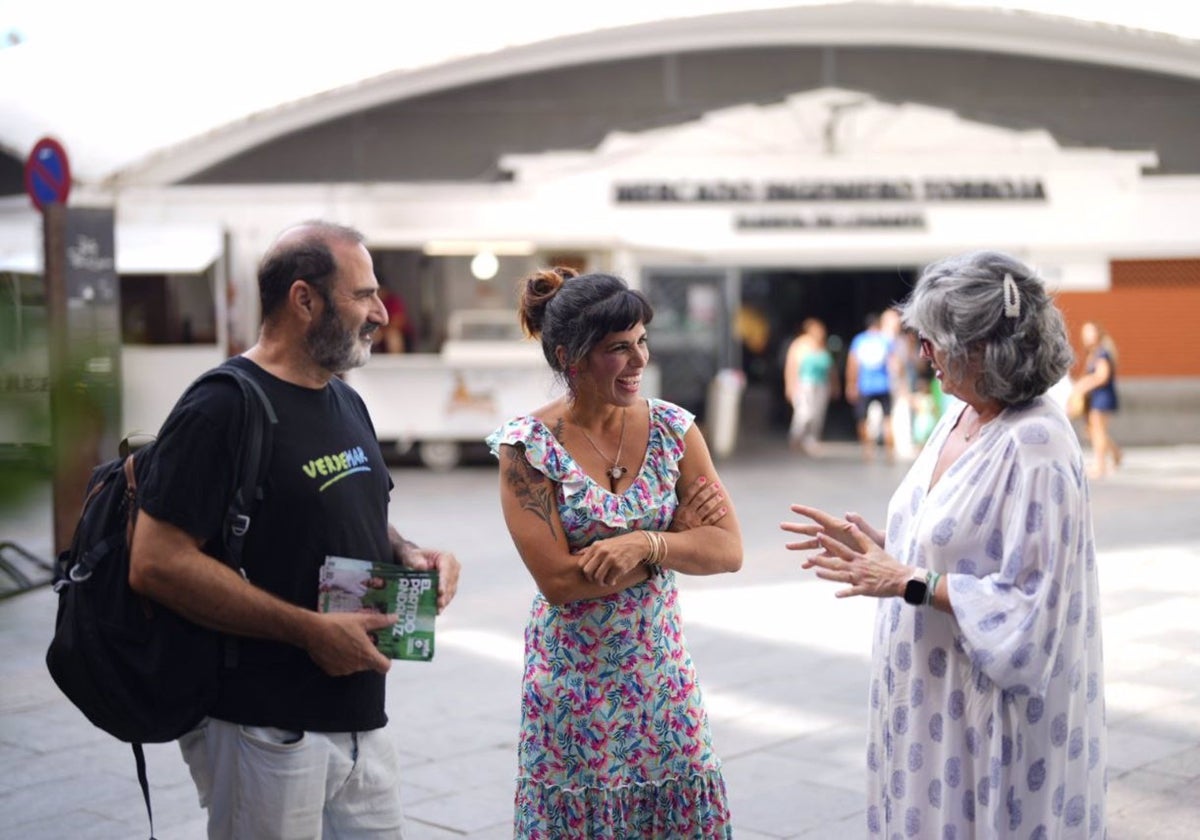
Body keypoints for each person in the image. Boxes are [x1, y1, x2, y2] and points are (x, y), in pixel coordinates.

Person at [128, 220, 462, 839]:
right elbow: (157, 562)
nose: (381, 314)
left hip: (362, 723)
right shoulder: (221, 407)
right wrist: (308, 631)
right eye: (363, 295)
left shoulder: (345, 399)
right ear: (304, 299)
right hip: (265, 730)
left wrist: (414, 554)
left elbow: (356, 516)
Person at [782, 251, 1106, 839]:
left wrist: (909, 581)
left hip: (983, 720)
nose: (921, 353)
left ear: (984, 348)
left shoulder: (1038, 442)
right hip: (926, 703)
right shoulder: (958, 414)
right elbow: (954, 539)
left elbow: (1035, 604)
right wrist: (876, 548)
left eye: (934, 340)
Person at [487, 267, 743, 838]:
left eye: (641, 343)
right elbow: (558, 581)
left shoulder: (676, 430)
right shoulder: (527, 449)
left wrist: (644, 542)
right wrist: (674, 544)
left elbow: (727, 549)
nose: (638, 362)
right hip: (572, 687)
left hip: (661, 676)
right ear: (569, 356)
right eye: (617, 349)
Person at [1071, 321, 1123, 478]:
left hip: (1102, 396)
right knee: (1095, 430)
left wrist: (1082, 386)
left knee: (1097, 431)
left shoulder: (1102, 354)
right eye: (1084, 333)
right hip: (1095, 397)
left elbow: (1102, 376)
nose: (1086, 336)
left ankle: (1100, 465)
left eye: (1090, 332)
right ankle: (1116, 454)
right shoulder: (1092, 354)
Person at [783, 317, 839, 455]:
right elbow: (791, 366)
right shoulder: (799, 345)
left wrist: (835, 385)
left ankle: (812, 439)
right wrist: (790, 385)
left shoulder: (822, 346)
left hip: (821, 384)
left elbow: (831, 369)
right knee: (804, 412)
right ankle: (796, 436)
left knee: (818, 413)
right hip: (804, 384)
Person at [846, 312, 895, 461]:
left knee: (862, 419)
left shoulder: (859, 340)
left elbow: (853, 364)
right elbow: (894, 363)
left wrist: (851, 384)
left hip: (865, 386)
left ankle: (868, 450)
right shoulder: (885, 341)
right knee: (887, 419)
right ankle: (889, 451)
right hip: (884, 385)